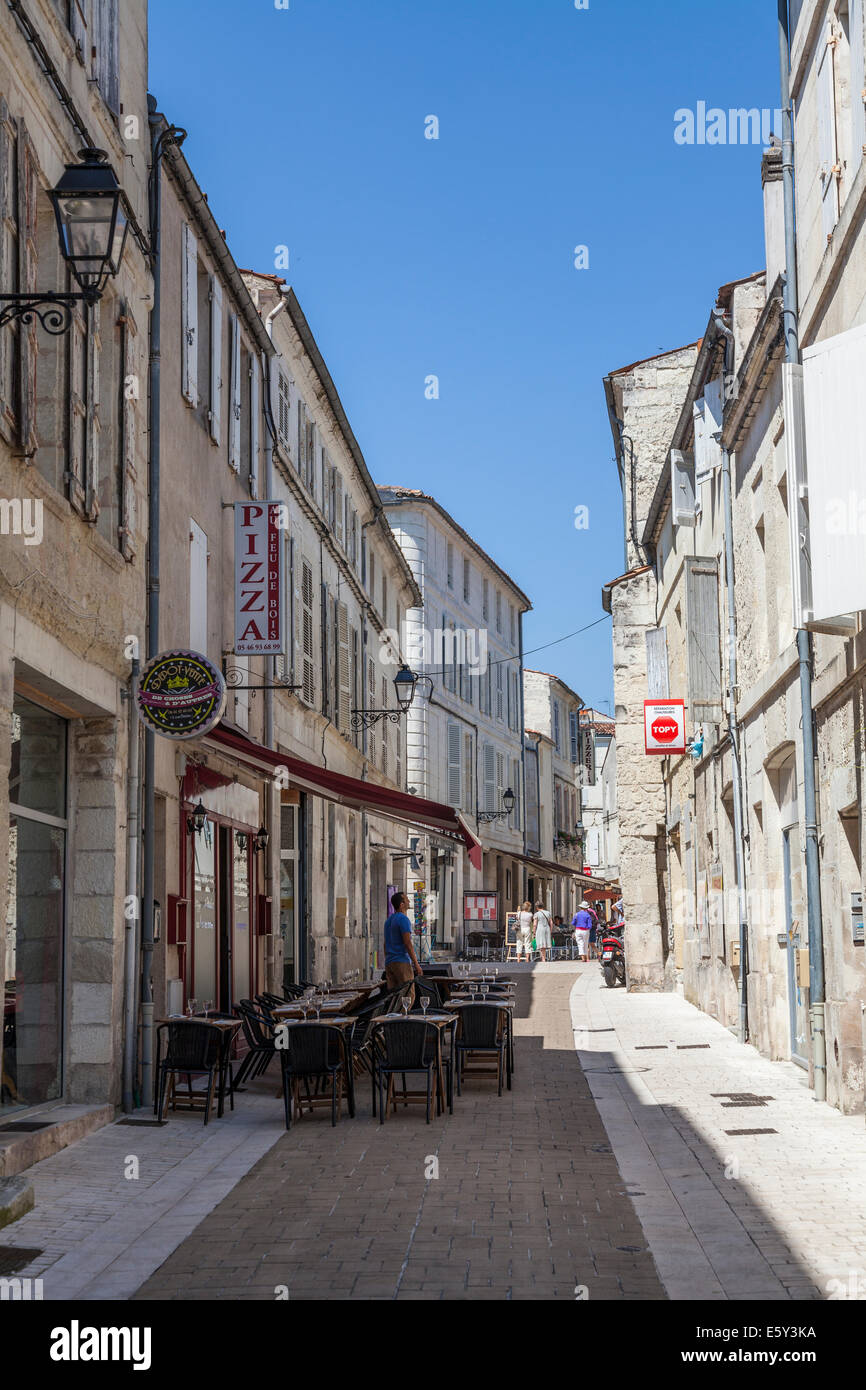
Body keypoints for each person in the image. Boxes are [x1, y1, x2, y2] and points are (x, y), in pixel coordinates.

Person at [383, 891, 422, 1003]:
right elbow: (407, 943)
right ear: (402, 905)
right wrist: (416, 964)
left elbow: (385, 944)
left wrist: (388, 959)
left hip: (389, 962)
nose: (409, 901)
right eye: (406, 900)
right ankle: (403, 1019)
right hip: (401, 962)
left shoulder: (388, 921)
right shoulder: (403, 919)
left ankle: (394, 1019)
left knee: (394, 998)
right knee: (408, 996)